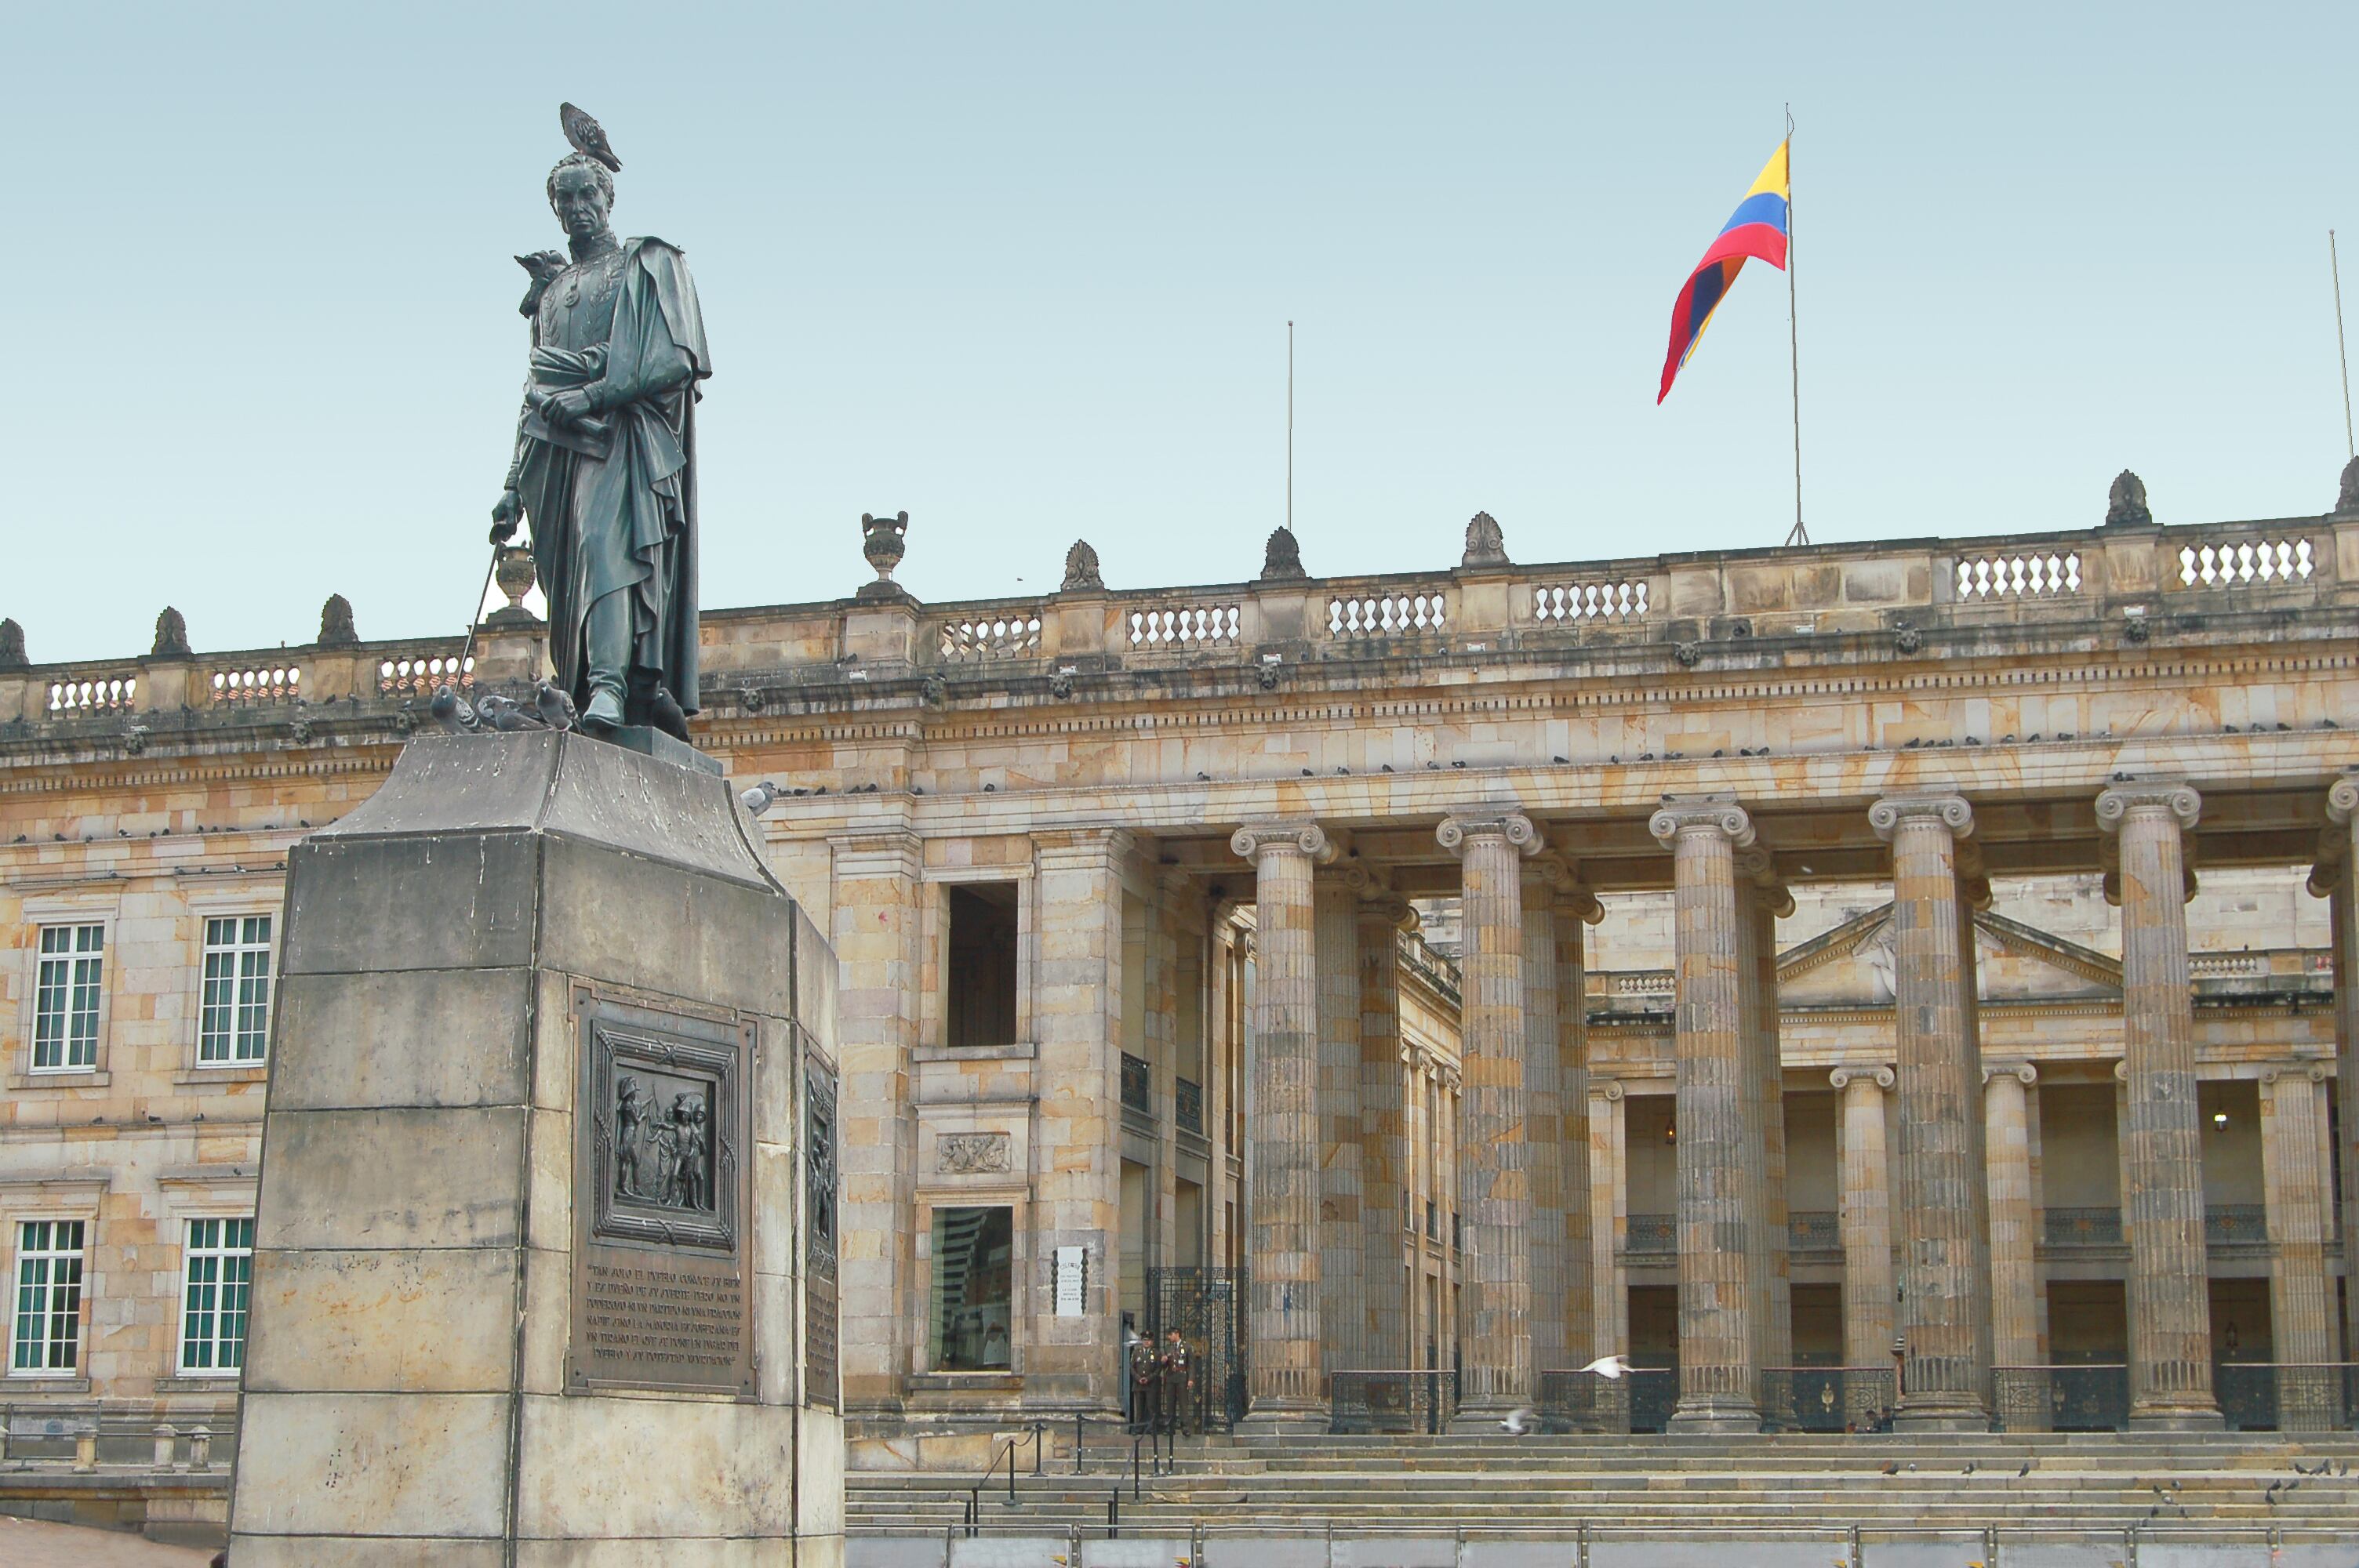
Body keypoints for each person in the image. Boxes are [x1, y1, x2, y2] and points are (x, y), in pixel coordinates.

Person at [491, 147, 710, 737]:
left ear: (609, 198)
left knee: (603, 547)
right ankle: (589, 681)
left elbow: (676, 359)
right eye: (567, 199)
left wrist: (591, 396)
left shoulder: (647, 265)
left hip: (622, 440)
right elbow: (534, 390)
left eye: (589, 195)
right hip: (553, 454)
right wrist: (512, 485)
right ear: (556, 210)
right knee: (567, 581)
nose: (579, 208)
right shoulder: (552, 291)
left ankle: (612, 684)